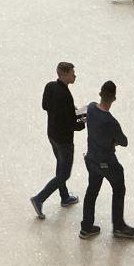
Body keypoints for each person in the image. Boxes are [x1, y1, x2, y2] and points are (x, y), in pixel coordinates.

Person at [79, 81, 134, 239]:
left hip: (91, 159)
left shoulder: (91, 107)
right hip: (107, 162)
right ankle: (118, 226)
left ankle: (86, 227)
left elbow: (80, 116)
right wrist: (114, 140)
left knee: (92, 191)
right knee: (118, 189)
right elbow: (124, 141)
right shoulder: (111, 122)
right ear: (114, 98)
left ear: (100, 94)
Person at [30, 61, 85, 217]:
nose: (75, 76)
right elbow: (73, 124)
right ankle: (39, 198)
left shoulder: (50, 86)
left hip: (52, 135)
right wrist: (83, 119)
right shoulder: (65, 96)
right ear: (64, 75)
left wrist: (68, 112)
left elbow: (45, 105)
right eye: (72, 73)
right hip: (64, 140)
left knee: (60, 165)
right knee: (64, 173)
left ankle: (65, 196)